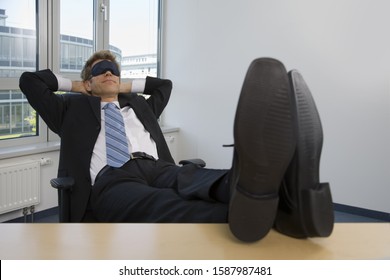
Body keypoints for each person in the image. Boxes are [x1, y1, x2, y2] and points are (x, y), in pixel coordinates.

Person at [19, 50, 333, 242]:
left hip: (160, 167)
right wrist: (82, 86)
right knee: (157, 202)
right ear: (88, 80)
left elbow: (163, 86)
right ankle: (283, 210)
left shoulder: (139, 106)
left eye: (114, 70)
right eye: (101, 71)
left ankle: (260, 189)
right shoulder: (70, 110)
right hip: (113, 179)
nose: (109, 74)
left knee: (198, 178)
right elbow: (30, 82)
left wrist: (121, 85)